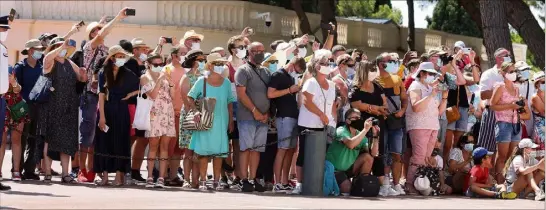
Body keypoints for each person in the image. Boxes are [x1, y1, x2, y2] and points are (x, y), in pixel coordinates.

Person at [79, 7, 129, 183]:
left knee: (100, 136)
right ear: (90, 35)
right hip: (91, 95)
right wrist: (117, 18)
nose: (98, 33)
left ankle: (96, 169)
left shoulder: (107, 50)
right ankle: (81, 169)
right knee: (88, 134)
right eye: (94, 31)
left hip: (108, 98)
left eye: (98, 30)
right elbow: (101, 35)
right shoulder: (89, 47)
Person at [40, 26, 88, 183]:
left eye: (65, 46)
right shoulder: (49, 61)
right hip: (53, 106)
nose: (64, 49)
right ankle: (47, 171)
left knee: (66, 141)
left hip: (69, 106)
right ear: (54, 48)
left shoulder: (68, 62)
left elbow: (81, 78)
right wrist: (63, 44)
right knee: (50, 139)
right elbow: (47, 56)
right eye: (60, 46)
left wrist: (84, 75)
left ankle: (65, 174)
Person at [187, 53, 235, 190]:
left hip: (221, 121)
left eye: (222, 64)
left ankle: (216, 181)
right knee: (203, 152)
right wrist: (196, 111)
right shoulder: (201, 80)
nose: (220, 66)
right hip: (205, 121)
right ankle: (203, 181)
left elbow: (230, 101)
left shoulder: (226, 82)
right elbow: (190, 97)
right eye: (217, 64)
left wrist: (231, 119)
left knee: (219, 153)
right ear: (210, 65)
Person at [94, 45, 139, 186]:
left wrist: (130, 95)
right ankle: (105, 176)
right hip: (107, 108)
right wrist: (101, 116)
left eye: (123, 56)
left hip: (121, 109)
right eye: (119, 56)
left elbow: (141, 86)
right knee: (104, 142)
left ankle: (119, 176)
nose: (121, 59)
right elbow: (101, 95)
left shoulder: (127, 73)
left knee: (121, 141)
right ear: (112, 58)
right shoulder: (103, 72)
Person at [349, 60, 395, 196]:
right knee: (364, 152)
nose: (374, 71)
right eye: (371, 69)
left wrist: (381, 110)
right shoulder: (355, 88)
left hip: (377, 124)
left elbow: (385, 103)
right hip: (361, 125)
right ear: (363, 71)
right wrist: (373, 108)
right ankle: (361, 182)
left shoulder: (377, 86)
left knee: (378, 152)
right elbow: (356, 104)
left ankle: (382, 185)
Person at [404, 62, 448, 194]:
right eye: (430, 73)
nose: (432, 76)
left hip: (432, 125)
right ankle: (409, 184)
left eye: (434, 74)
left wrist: (445, 96)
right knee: (418, 157)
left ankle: (420, 184)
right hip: (418, 126)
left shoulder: (430, 88)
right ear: (422, 73)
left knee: (426, 158)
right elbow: (416, 107)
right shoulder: (415, 86)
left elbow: (439, 112)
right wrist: (432, 95)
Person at [234, 42, 270, 192]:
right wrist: (255, 111)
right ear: (249, 53)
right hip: (247, 117)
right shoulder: (242, 70)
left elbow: (270, 93)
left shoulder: (266, 71)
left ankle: (252, 178)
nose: (260, 53)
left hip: (263, 118)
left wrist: (267, 113)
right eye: (256, 51)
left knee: (257, 149)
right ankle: (243, 179)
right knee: (246, 148)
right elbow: (241, 94)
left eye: (262, 50)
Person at [267, 57, 305, 192]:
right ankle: (277, 182)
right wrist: (289, 90)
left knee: (291, 150)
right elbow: (270, 94)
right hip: (283, 116)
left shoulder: (291, 77)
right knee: (282, 149)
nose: (296, 73)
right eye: (296, 70)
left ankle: (284, 180)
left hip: (294, 116)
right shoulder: (278, 75)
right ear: (292, 65)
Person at [490, 62, 531, 183]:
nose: (514, 74)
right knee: (502, 155)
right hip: (503, 123)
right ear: (503, 73)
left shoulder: (517, 88)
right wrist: (511, 105)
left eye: (514, 71)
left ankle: (506, 182)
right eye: (511, 71)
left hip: (516, 124)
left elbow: (516, 107)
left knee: (511, 156)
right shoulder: (500, 86)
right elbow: (492, 106)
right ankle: (499, 182)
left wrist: (519, 106)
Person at [141, 53, 176, 188]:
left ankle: (161, 177)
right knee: (153, 145)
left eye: (160, 64)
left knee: (165, 146)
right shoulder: (144, 77)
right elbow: (153, 95)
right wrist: (160, 79)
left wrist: (171, 84)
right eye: (155, 65)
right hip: (154, 114)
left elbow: (172, 96)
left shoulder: (165, 77)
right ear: (149, 64)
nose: (159, 67)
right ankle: (150, 176)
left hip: (167, 113)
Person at [375, 52, 408, 195]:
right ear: (381, 64)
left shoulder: (398, 79)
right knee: (382, 153)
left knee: (397, 154)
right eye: (389, 61)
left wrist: (402, 110)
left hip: (396, 121)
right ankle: (385, 184)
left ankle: (396, 184)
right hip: (381, 121)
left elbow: (404, 99)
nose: (393, 63)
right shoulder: (374, 80)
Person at [12, 39, 45, 181]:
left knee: (35, 139)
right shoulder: (20, 67)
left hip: (38, 106)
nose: (40, 52)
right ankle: (16, 169)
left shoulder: (42, 68)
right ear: (30, 51)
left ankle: (30, 170)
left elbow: (43, 85)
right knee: (21, 138)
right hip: (22, 107)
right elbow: (15, 89)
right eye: (38, 49)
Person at [477, 48, 513, 173]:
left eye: (509, 55)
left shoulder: (512, 74)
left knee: (505, 150)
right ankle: (483, 177)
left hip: (509, 114)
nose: (509, 56)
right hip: (492, 113)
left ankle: (498, 179)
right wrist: (500, 91)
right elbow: (482, 94)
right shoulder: (489, 74)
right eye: (506, 55)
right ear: (498, 58)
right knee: (487, 148)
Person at [326, 109, 378, 194]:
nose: (358, 120)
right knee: (347, 188)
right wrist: (365, 130)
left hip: (349, 168)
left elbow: (373, 154)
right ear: (347, 120)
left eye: (359, 118)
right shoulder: (341, 130)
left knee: (368, 158)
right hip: (334, 169)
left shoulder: (360, 134)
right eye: (355, 118)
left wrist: (376, 136)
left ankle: (361, 184)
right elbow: (350, 144)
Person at [179, 49, 205, 188]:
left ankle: (198, 180)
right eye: (200, 60)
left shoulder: (205, 77)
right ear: (193, 61)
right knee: (188, 150)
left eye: (203, 60)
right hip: (190, 115)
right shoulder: (186, 77)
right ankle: (186, 179)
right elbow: (186, 100)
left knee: (199, 150)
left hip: (203, 116)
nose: (203, 62)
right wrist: (194, 115)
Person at [162, 45, 186, 186]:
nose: (184, 55)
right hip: (169, 114)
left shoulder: (185, 71)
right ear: (174, 55)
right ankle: (163, 175)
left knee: (178, 148)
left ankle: (173, 176)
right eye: (181, 53)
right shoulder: (167, 70)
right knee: (167, 147)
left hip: (182, 114)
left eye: (185, 53)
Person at [0, 65, 26, 182]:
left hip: (16, 107)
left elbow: (18, 89)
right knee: (2, 141)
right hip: (2, 107)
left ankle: (16, 171)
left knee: (16, 139)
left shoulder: (10, 68)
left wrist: (13, 82)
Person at [331, 54, 354, 125]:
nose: (352, 68)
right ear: (341, 65)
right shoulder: (337, 80)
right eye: (350, 66)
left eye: (353, 65)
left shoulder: (349, 80)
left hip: (348, 116)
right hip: (341, 117)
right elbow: (346, 99)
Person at [530, 71, 545, 151]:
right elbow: (543, 112)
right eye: (543, 82)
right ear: (537, 84)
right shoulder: (535, 97)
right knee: (540, 156)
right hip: (541, 131)